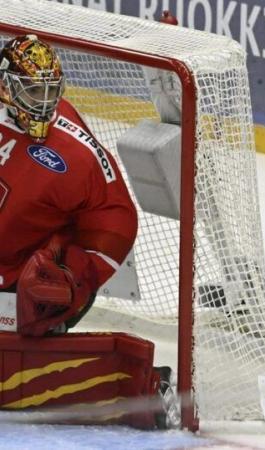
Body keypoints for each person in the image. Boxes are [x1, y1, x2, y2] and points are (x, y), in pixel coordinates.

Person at [0, 34, 178, 429]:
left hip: (20, 288)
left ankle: (139, 384)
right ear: (5, 87)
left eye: (50, 91)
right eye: (31, 90)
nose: (42, 102)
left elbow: (114, 215)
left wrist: (75, 277)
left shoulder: (74, 155)